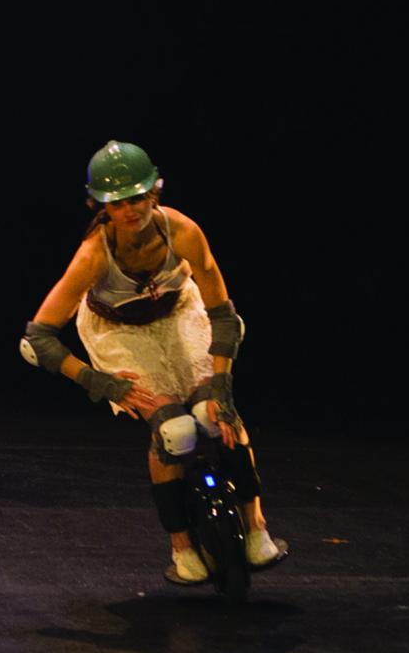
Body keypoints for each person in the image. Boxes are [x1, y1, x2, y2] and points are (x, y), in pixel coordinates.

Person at [21, 140, 286, 585]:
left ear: (154, 192)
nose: (130, 210)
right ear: (101, 206)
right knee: (175, 431)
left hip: (179, 312)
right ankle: (181, 546)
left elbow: (222, 313)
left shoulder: (182, 231)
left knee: (216, 416)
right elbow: (38, 339)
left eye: (138, 198)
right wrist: (101, 383)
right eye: (118, 203)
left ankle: (256, 526)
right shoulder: (93, 254)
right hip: (117, 330)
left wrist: (222, 386)